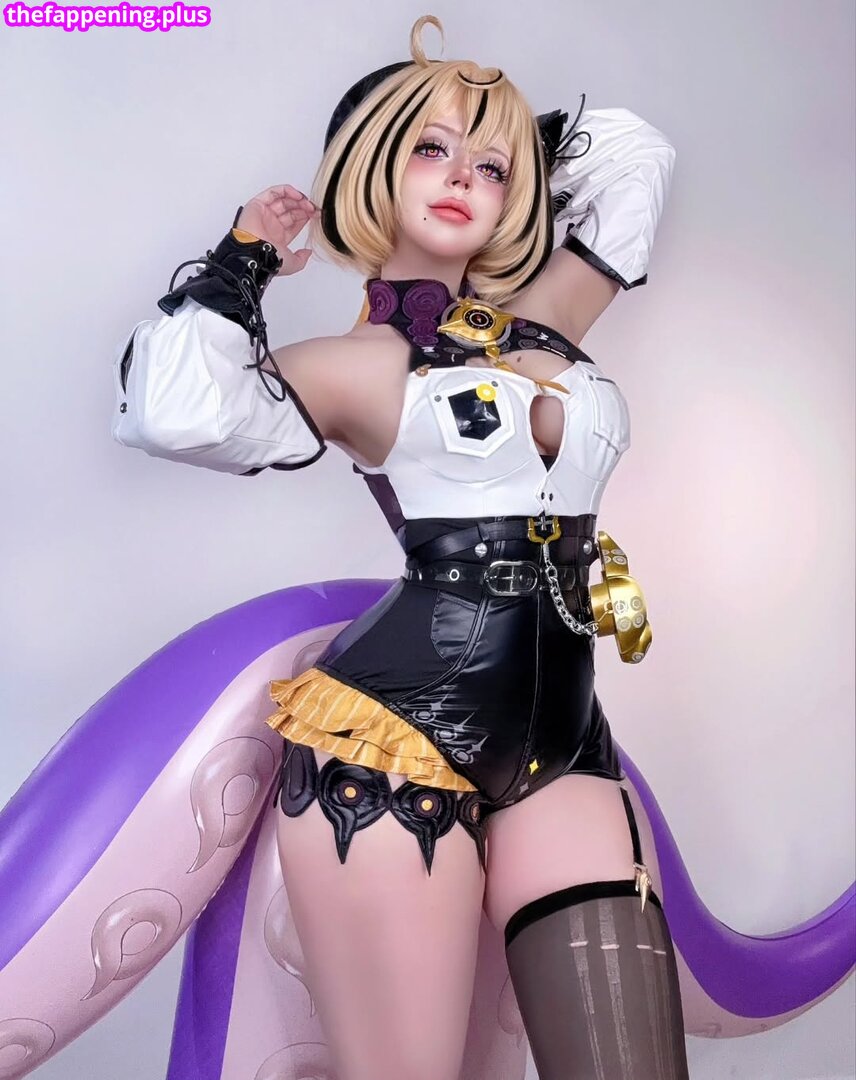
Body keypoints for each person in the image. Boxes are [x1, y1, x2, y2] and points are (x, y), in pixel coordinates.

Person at [112, 14, 684, 1079]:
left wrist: (514, 136)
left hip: (565, 741)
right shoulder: (356, 366)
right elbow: (172, 413)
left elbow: (637, 154)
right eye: (429, 148)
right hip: (390, 749)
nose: (462, 176)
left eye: (489, 166)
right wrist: (243, 259)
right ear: (373, 167)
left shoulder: (552, 317)